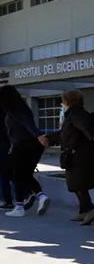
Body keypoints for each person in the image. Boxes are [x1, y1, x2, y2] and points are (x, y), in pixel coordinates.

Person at [0, 85, 50, 217]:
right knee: (24, 175)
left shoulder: (15, 109)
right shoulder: (19, 107)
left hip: (23, 145)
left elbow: (27, 122)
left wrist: (38, 135)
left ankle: (20, 206)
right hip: (30, 145)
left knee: (17, 174)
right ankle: (39, 196)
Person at [58, 90, 94, 225]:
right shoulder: (74, 113)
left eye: (63, 100)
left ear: (68, 101)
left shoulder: (76, 114)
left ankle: (90, 210)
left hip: (78, 155)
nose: (62, 103)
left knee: (77, 184)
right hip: (75, 154)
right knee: (76, 185)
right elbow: (65, 133)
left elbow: (84, 127)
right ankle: (83, 211)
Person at [0, 125, 14, 211]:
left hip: (3, 147)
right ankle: (30, 191)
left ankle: (8, 201)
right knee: (8, 174)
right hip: (9, 146)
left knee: (4, 175)